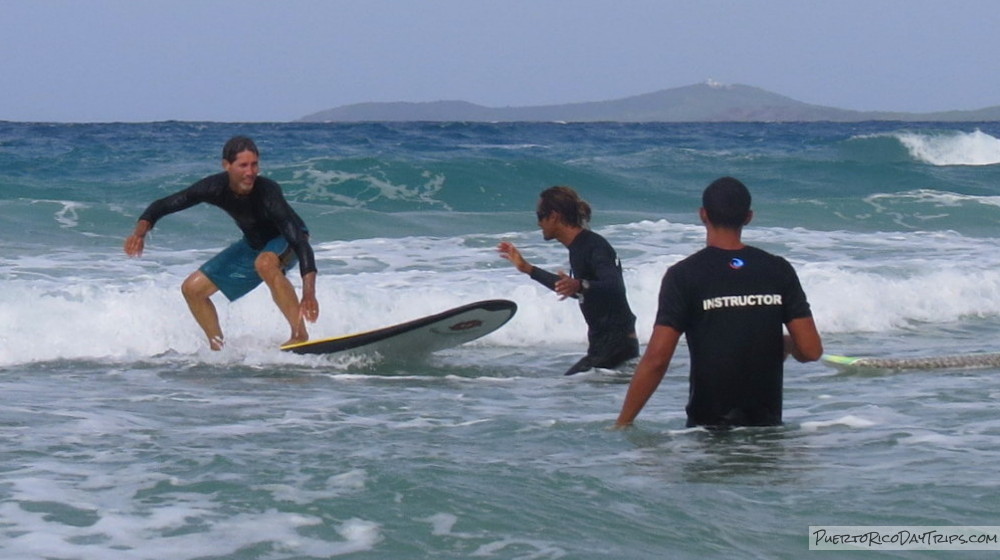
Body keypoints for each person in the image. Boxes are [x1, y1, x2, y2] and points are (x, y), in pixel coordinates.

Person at [615, 177, 822, 429]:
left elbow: (657, 359)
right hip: (767, 432)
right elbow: (811, 351)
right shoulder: (778, 269)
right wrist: (787, 344)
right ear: (748, 217)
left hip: (708, 431)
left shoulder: (684, 275)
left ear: (703, 215)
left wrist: (623, 422)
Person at [124, 136, 319, 350]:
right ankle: (218, 349)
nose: (250, 172)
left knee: (265, 263)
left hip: (287, 238)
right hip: (253, 244)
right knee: (192, 289)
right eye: (243, 165)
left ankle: (299, 335)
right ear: (227, 165)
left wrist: (308, 294)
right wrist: (140, 233)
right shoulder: (213, 187)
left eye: (254, 164)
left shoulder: (268, 191)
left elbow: (299, 241)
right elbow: (163, 205)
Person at [498, 186, 639, 375]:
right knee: (572, 393)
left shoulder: (594, 246)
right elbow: (584, 291)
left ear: (554, 216)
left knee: (567, 390)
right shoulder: (579, 247)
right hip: (607, 349)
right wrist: (528, 269)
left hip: (616, 348)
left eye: (540, 215)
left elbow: (614, 286)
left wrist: (580, 284)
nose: (539, 223)